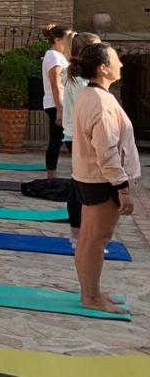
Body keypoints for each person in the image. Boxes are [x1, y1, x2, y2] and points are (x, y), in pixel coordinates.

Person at [70, 42, 139, 315]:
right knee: (96, 240)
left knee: (89, 238)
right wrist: (122, 188)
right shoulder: (100, 101)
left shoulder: (91, 95)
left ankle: (91, 290)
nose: (121, 64)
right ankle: (91, 296)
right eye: (116, 60)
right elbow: (107, 151)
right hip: (101, 180)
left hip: (89, 177)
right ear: (103, 68)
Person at [62, 31, 102, 246]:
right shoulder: (79, 83)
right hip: (80, 137)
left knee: (79, 183)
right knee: (83, 186)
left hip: (75, 135)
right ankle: (79, 236)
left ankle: (78, 235)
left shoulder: (75, 78)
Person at [41, 23, 73, 179]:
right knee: (60, 140)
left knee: (60, 139)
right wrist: (60, 110)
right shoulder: (53, 56)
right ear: (58, 39)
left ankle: (52, 175)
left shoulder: (60, 56)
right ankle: (51, 176)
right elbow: (56, 85)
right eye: (68, 38)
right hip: (56, 104)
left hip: (61, 103)